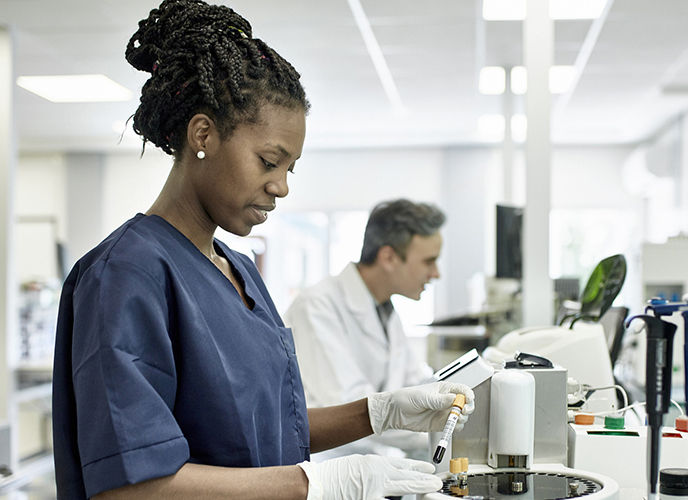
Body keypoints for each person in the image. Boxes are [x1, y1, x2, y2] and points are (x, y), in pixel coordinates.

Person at [50, 1, 474, 499]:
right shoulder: (124, 275)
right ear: (203, 134)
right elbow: (132, 486)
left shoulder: (240, 272)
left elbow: (272, 431)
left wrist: (376, 413)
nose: (281, 187)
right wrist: (315, 483)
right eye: (269, 162)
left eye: (289, 169)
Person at [284, 199, 444, 459]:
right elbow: (350, 407)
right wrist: (438, 428)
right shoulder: (317, 306)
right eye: (429, 261)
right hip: (335, 468)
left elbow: (413, 384)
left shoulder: (385, 310)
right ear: (389, 257)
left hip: (379, 459)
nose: (436, 273)